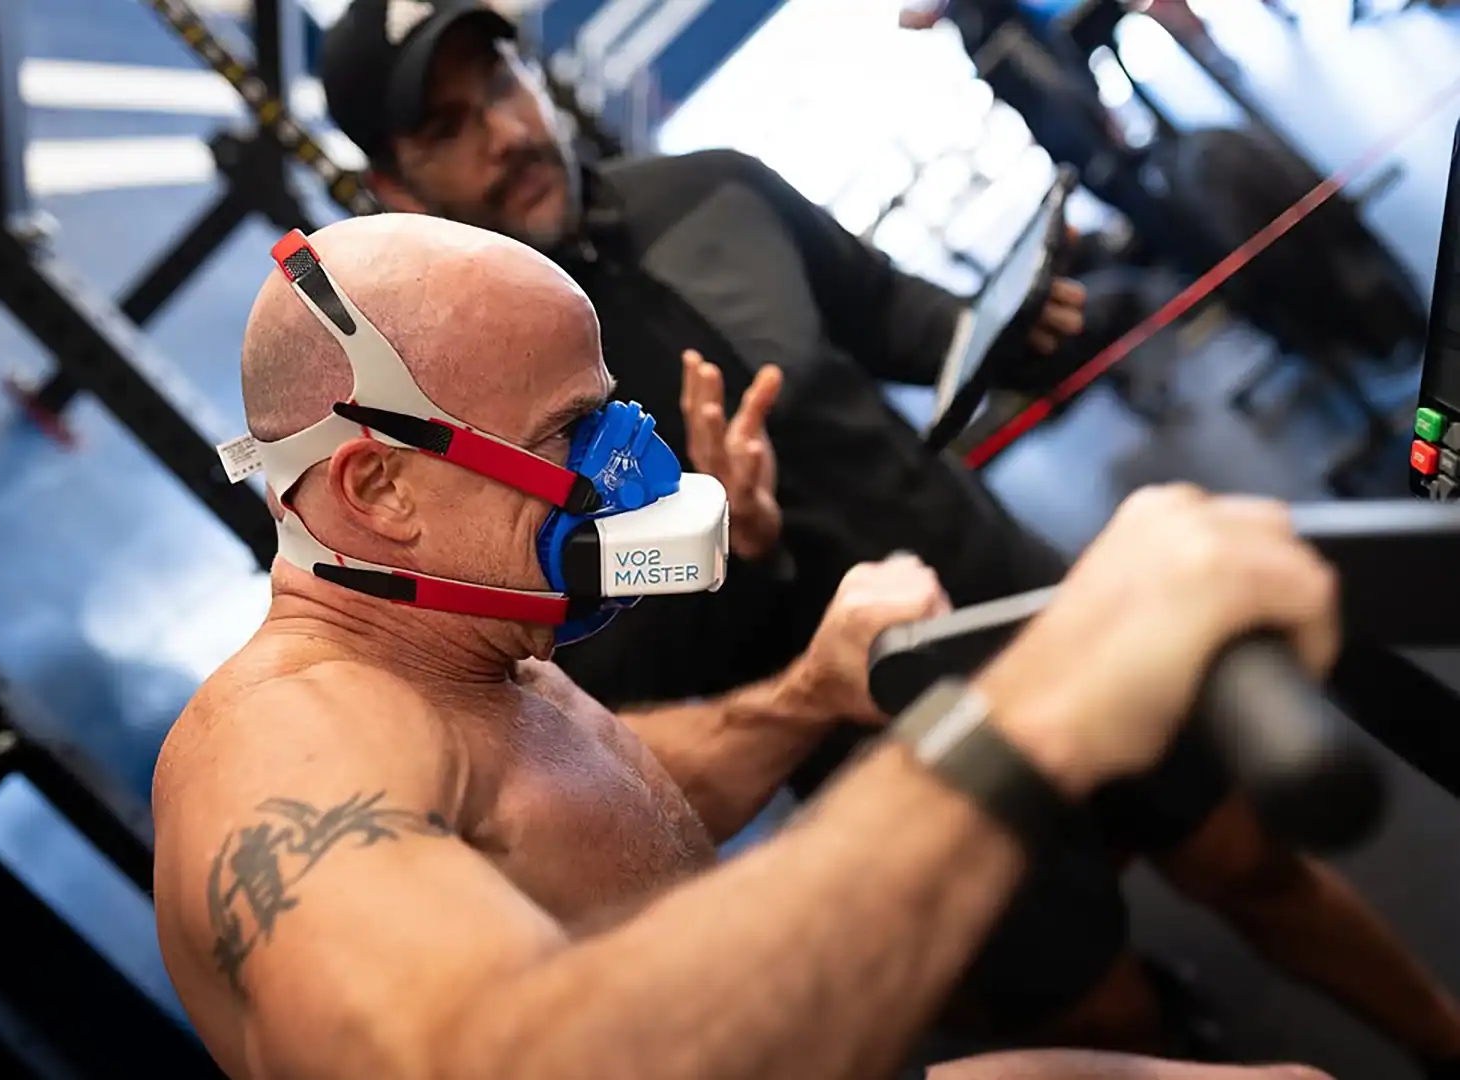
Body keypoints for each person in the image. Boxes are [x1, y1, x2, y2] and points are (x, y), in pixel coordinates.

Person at [310, 2, 1460, 1068]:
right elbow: (590, 695)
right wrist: (718, 552)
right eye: (449, 127)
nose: (505, 133)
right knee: (1104, 1015)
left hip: (1013, 595)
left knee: (1250, 861)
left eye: (500, 82)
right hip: (867, 740)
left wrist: (1013, 319)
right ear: (396, 185)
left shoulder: (712, 190)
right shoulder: (471, 430)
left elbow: (897, 316)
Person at [153, 211, 1340, 1080]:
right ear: (386, 487)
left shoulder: (476, 651)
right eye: (572, 431)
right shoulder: (282, 751)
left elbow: (599, 823)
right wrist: (1036, 714)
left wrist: (807, 695)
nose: (628, 463)